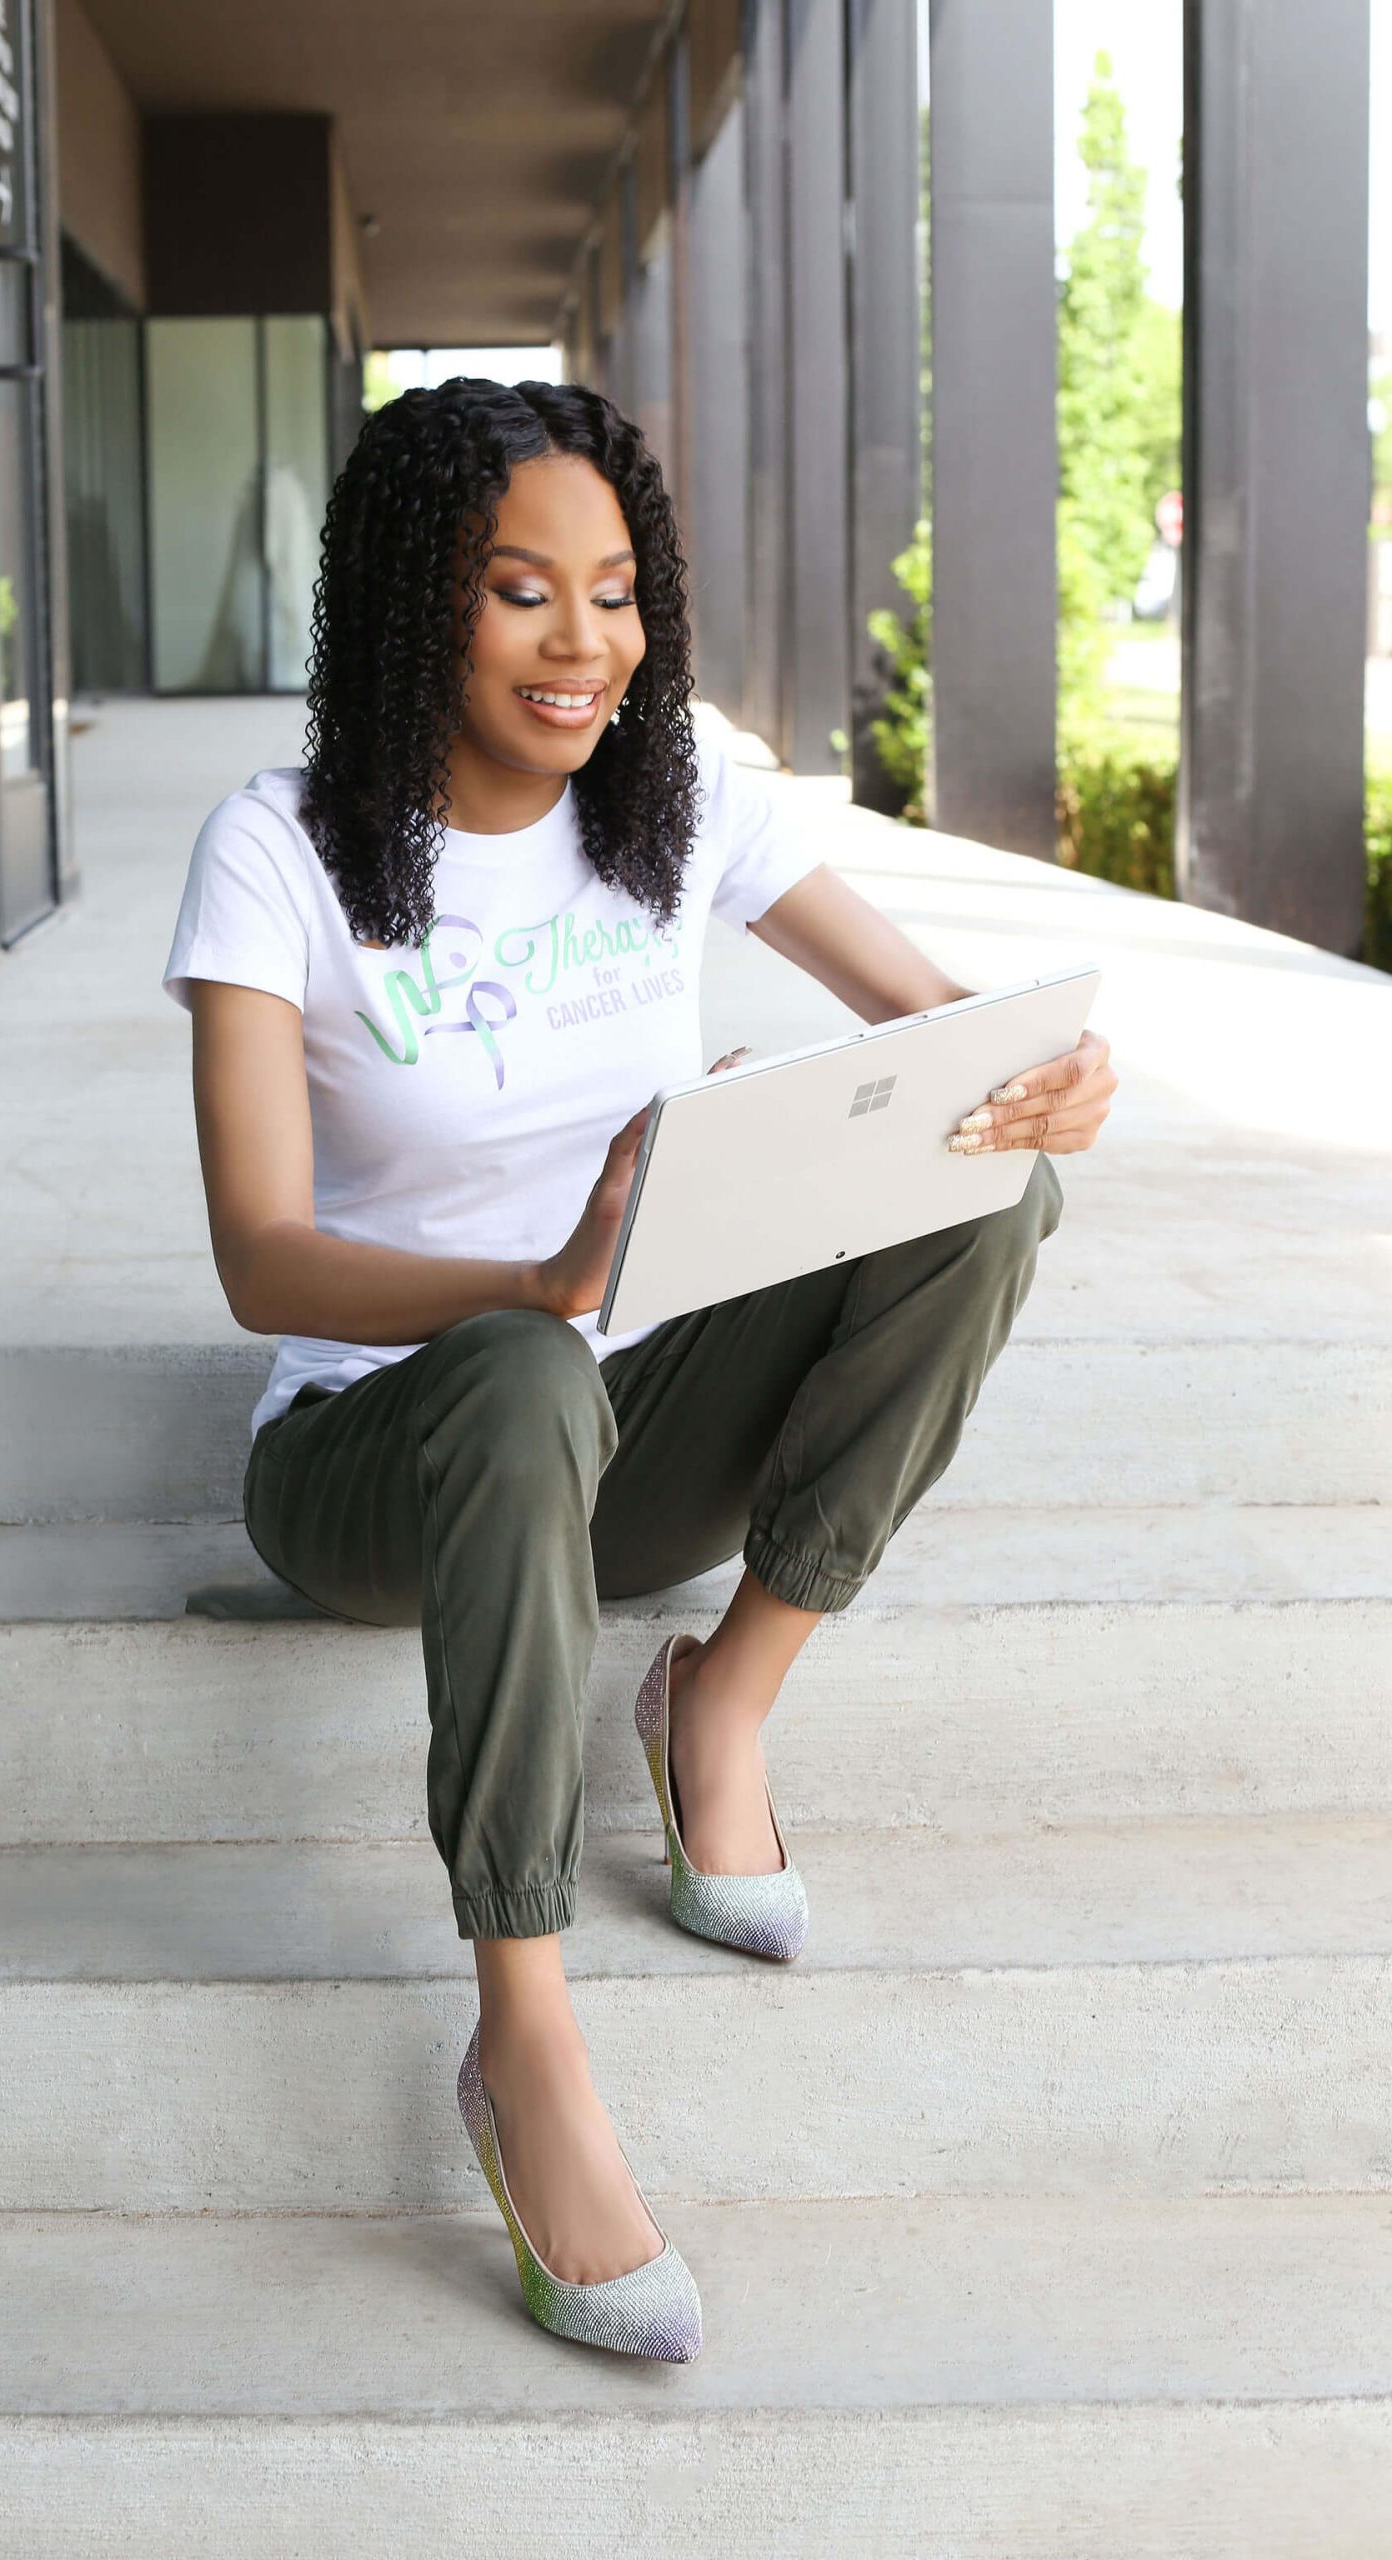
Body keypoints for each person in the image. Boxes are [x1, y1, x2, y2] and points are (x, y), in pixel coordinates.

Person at [162, 378, 1116, 2363]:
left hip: (626, 1439)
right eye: (521, 590)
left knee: (981, 1193)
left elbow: (951, 1032)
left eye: (613, 593)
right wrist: (541, 1275)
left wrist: (1047, 1073)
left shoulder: (674, 796)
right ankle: (523, 2035)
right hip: (382, 1456)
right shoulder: (280, 850)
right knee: (524, 1366)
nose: (581, 642)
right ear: (416, 600)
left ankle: (721, 1698)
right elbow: (261, 1258)